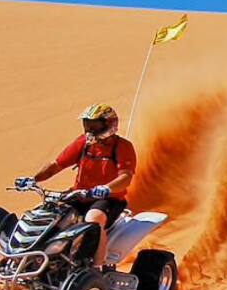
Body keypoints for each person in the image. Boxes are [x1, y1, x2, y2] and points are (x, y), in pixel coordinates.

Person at [15, 103, 136, 267]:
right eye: (87, 124)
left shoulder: (123, 147)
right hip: (79, 195)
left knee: (93, 219)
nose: (89, 129)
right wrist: (34, 179)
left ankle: (97, 267)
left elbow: (126, 177)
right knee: (43, 213)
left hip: (109, 199)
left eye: (94, 125)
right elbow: (57, 165)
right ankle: (28, 258)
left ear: (109, 124)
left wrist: (106, 188)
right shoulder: (84, 143)